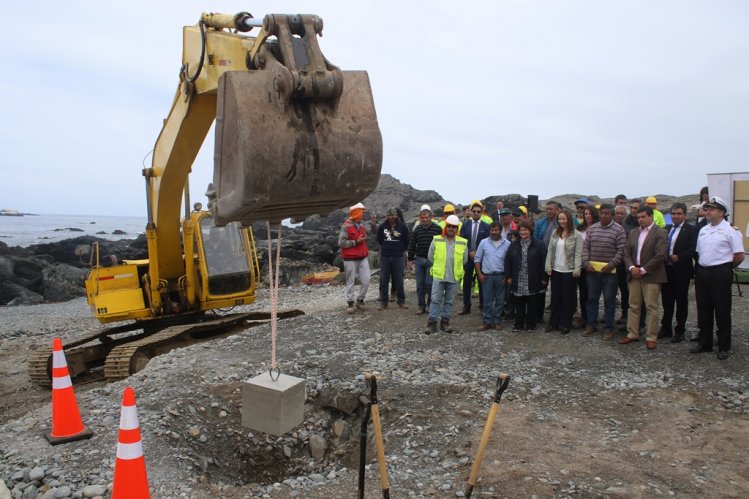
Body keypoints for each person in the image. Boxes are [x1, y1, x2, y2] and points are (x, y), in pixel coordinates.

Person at [690, 196, 745, 360]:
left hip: (720, 272)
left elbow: (739, 255)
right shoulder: (704, 230)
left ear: (721, 212)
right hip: (703, 271)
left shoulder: (730, 231)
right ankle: (705, 343)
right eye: (707, 209)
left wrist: (727, 267)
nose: (707, 211)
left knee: (722, 310)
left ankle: (723, 346)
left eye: (712, 209)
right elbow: (700, 252)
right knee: (703, 309)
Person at [618, 206, 668, 349]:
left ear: (651, 216)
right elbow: (626, 252)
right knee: (633, 305)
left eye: (643, 217)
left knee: (652, 306)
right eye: (638, 217)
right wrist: (632, 267)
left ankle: (651, 336)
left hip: (652, 274)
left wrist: (644, 269)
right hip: (634, 274)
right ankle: (632, 333)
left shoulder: (660, 232)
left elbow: (660, 254)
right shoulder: (634, 232)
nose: (640, 220)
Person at [581, 204, 626, 339]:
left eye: (607, 213)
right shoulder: (592, 229)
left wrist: (612, 264)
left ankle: (608, 328)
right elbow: (585, 248)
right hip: (592, 272)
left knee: (609, 300)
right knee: (592, 299)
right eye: (602, 213)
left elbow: (621, 250)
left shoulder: (619, 230)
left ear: (612, 215)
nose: (604, 215)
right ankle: (591, 325)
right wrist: (586, 263)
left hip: (610, 272)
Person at [658, 202, 697, 343]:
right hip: (666, 270)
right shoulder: (666, 229)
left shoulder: (692, 230)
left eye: (679, 213)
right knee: (666, 301)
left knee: (681, 301)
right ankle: (666, 328)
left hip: (681, 271)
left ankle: (680, 330)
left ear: (685, 215)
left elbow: (693, 249)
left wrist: (679, 257)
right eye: (673, 213)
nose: (676, 216)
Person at [425, 215, 468, 334]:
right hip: (439, 276)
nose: (451, 229)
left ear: (457, 228)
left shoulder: (463, 242)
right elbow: (430, 256)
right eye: (449, 226)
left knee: (449, 301)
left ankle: (445, 322)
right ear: (445, 226)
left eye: (454, 227)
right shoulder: (436, 239)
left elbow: (464, 260)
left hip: (454, 277)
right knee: (435, 300)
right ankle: (432, 323)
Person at [505, 220, 548, 331]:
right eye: (521, 230)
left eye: (525, 230)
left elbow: (544, 261)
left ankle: (531, 324)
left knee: (532, 302)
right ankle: (518, 323)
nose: (523, 232)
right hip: (518, 277)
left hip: (533, 277)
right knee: (518, 302)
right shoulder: (513, 245)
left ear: (530, 231)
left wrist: (544, 277)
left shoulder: (539, 244)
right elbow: (508, 261)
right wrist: (508, 276)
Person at [545, 209, 583, 334]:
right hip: (556, 270)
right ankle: (553, 323)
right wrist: (548, 266)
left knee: (567, 299)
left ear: (569, 220)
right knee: (555, 298)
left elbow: (578, 254)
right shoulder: (555, 233)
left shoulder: (576, 235)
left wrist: (577, 269)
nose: (562, 221)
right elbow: (550, 250)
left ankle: (565, 324)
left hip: (569, 271)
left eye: (564, 219)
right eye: (560, 219)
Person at [474, 222, 511, 330]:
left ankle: (497, 321)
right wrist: (479, 274)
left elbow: (509, 262)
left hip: (501, 276)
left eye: (496, 230)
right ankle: (487, 321)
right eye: (492, 230)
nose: (494, 232)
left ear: (500, 231)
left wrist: (506, 276)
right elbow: (477, 259)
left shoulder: (507, 244)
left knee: (500, 300)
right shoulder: (483, 243)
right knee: (487, 300)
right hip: (487, 276)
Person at [408, 206, 442, 315]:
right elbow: (412, 244)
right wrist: (410, 259)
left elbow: (441, 245)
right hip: (419, 260)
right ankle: (421, 306)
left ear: (431, 217)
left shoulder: (437, 229)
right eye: (422, 218)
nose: (424, 220)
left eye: (426, 217)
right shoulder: (417, 229)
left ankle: (429, 305)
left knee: (429, 284)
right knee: (419, 285)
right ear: (420, 218)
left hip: (432, 261)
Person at [458, 201, 490, 315]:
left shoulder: (486, 226)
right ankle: (466, 306)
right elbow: (461, 240)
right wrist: (469, 251)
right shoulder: (465, 225)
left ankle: (482, 306)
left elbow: (487, 242)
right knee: (466, 282)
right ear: (471, 212)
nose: (476, 213)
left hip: (480, 258)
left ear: (481, 213)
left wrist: (477, 252)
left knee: (481, 282)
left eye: (478, 211)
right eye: (474, 211)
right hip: (468, 257)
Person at [338, 202, 370, 313]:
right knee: (350, 281)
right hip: (350, 258)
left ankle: (360, 300)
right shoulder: (346, 226)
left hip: (362, 257)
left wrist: (362, 239)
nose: (363, 213)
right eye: (362, 211)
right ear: (356, 212)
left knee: (366, 280)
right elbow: (341, 243)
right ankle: (350, 303)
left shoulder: (361, 225)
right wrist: (356, 242)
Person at [377, 207, 410, 310]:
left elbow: (407, 241)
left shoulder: (403, 227)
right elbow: (379, 240)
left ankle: (401, 302)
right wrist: (387, 248)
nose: (391, 217)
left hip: (398, 257)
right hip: (385, 256)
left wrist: (399, 250)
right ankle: (383, 302)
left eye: (393, 215)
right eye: (389, 215)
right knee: (384, 280)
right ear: (387, 216)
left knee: (399, 281)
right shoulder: (382, 227)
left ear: (396, 216)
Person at [574, 205, 598, 328]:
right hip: (582, 264)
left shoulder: (599, 228)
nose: (588, 216)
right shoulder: (580, 229)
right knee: (583, 292)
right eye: (586, 214)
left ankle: (592, 318)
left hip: (595, 264)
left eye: (590, 213)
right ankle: (584, 316)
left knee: (593, 293)